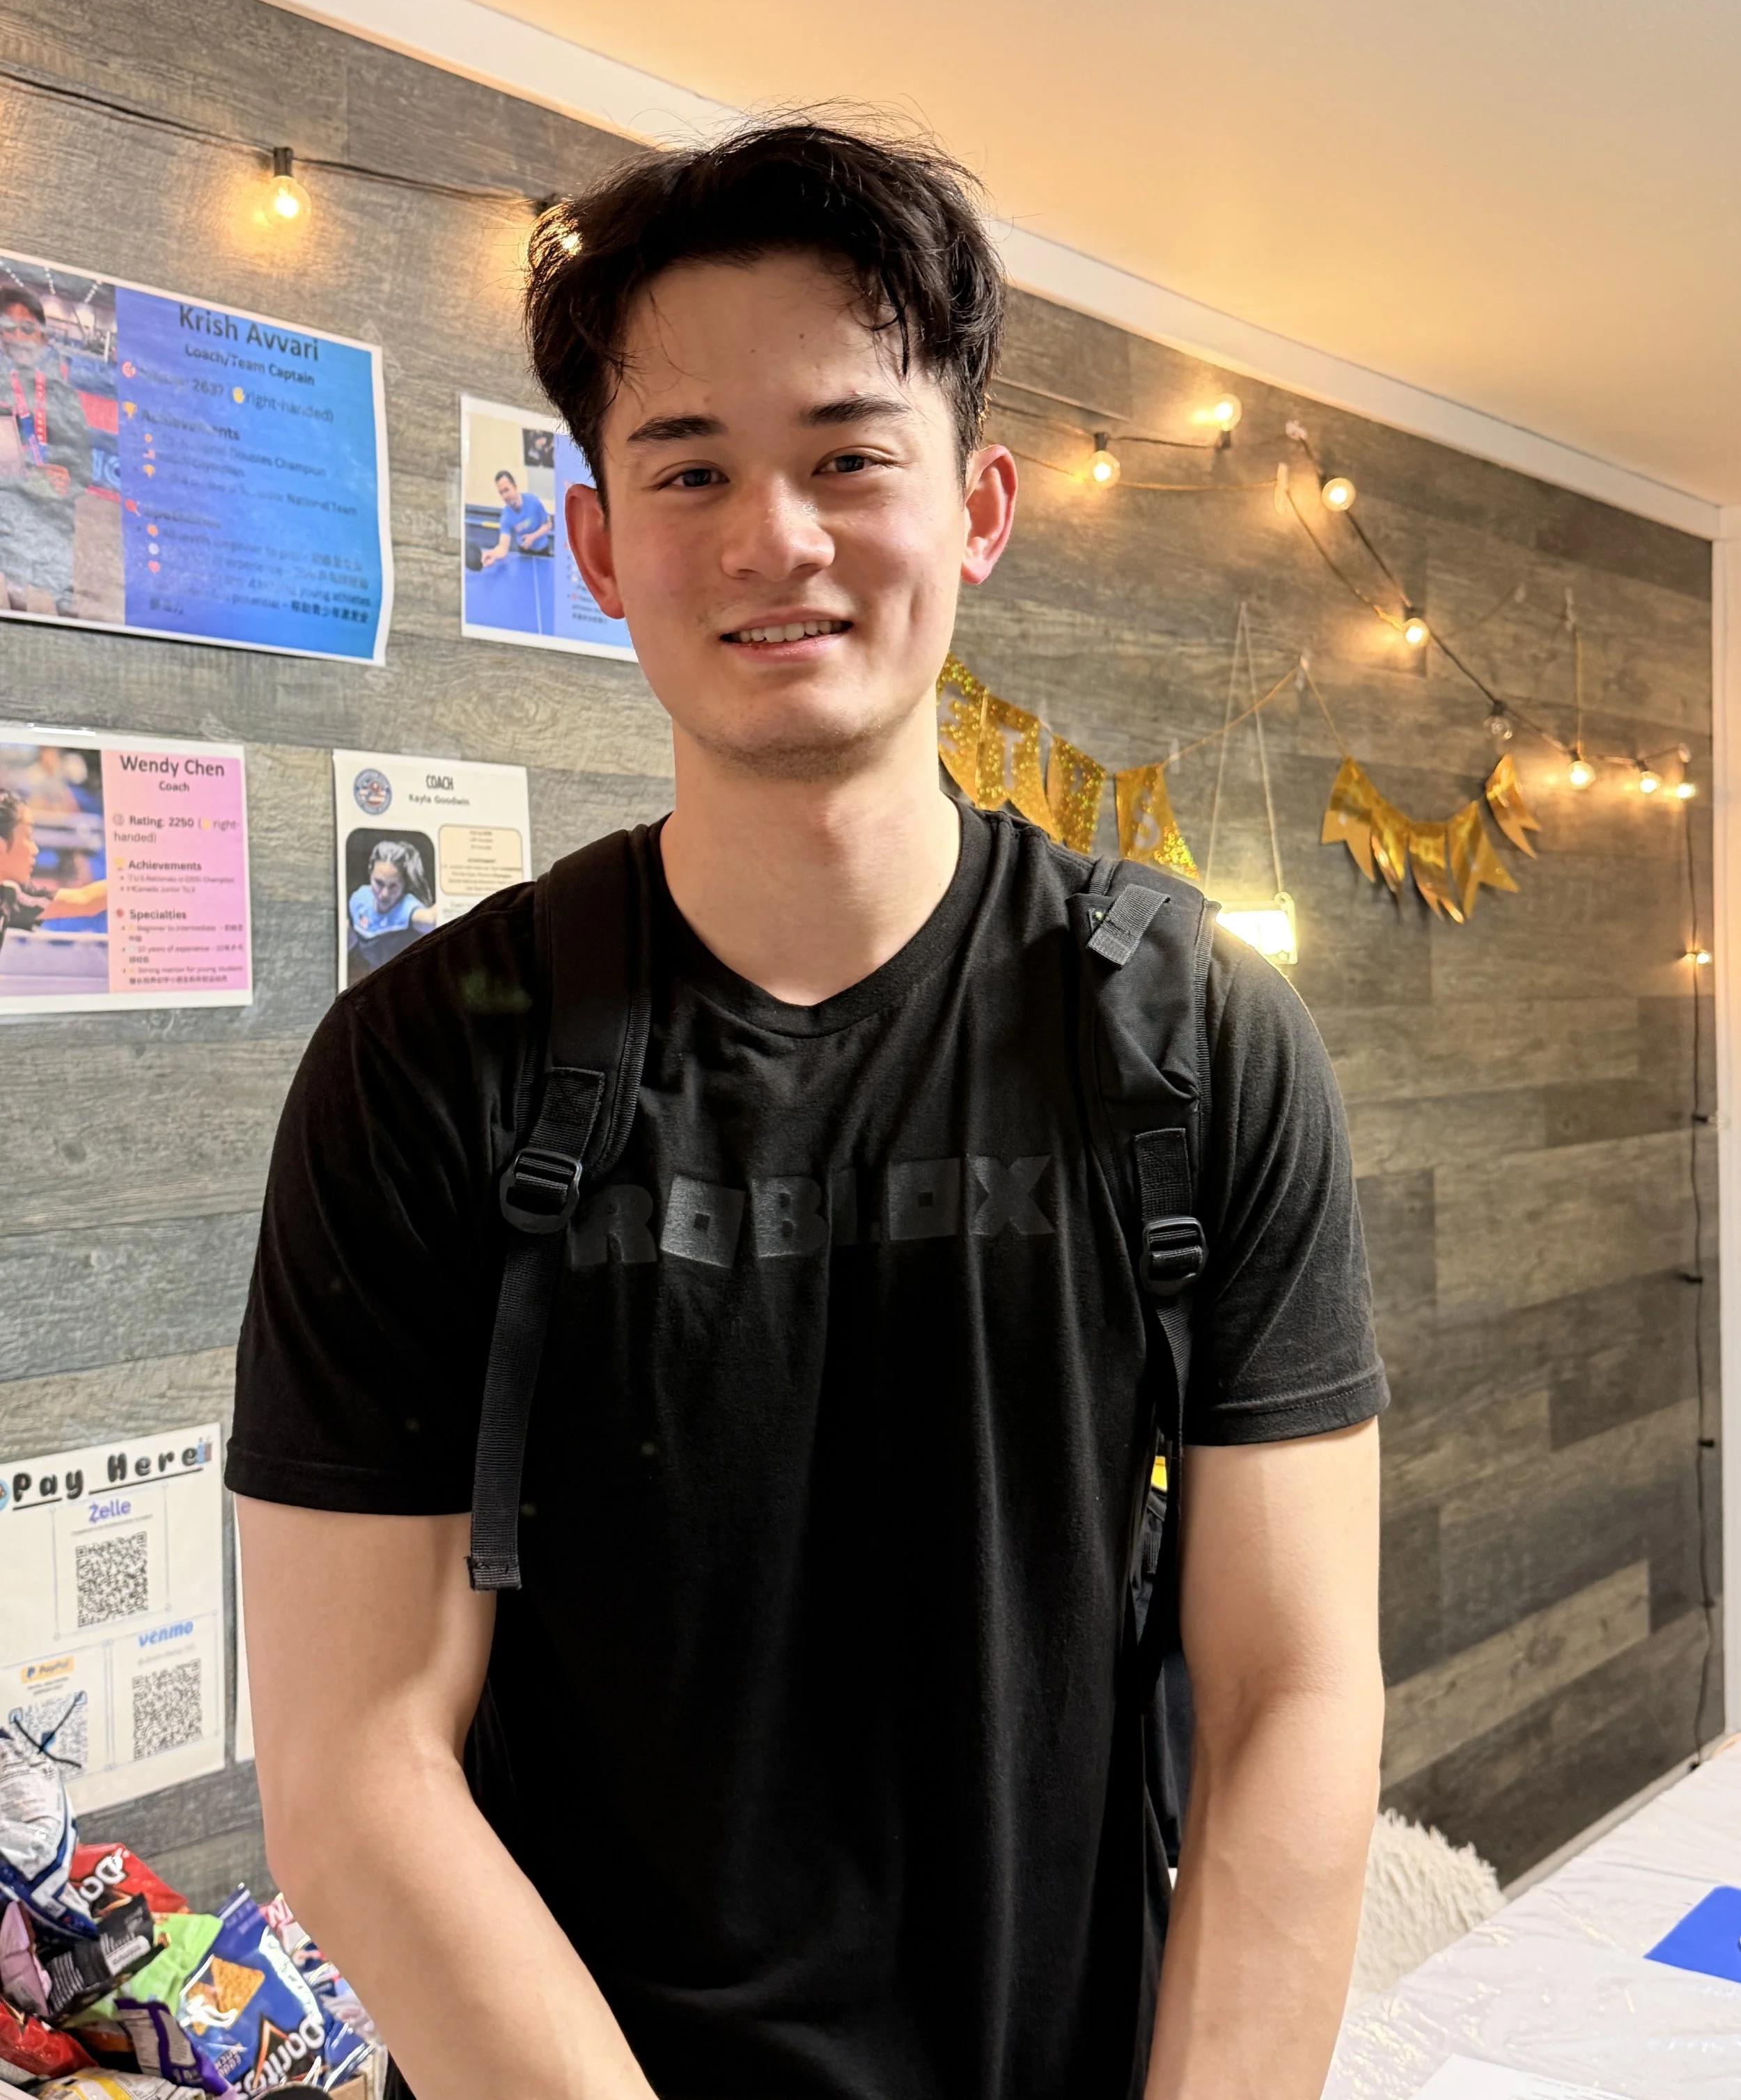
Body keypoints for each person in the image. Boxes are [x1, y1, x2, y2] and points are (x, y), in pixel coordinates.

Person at [232, 123, 1386, 2100]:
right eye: (688, 468)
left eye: (851, 455)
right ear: (599, 543)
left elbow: (1290, 1690)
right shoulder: (432, 1058)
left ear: (978, 509)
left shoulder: (1194, 1035)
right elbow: (354, 1763)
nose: (775, 536)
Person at [0, 286, 91, 618]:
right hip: (12, 510)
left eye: (27, 329)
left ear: (42, 336)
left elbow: (83, 463)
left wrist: (69, 481)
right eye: (8, 329)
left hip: (55, 513)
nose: (18, 337)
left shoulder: (62, 393)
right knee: (17, 595)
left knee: (64, 603)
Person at [0, 789, 107, 952]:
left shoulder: (9, 897)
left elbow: (85, 900)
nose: (35, 849)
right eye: (28, 836)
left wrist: (138, 879)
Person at [346, 838, 437, 985]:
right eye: (379, 883)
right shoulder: (359, 899)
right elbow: (346, 940)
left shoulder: (409, 909)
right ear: (370, 872)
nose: (384, 894)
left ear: (404, 884)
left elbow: (432, 920)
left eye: (393, 886)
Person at [480, 467, 554, 564]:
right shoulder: (506, 517)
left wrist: (532, 537)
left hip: (542, 551)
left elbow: (548, 525)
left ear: (515, 487)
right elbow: (503, 548)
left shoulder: (533, 501)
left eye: (507, 490)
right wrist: (492, 554)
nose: (505, 496)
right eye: (501, 493)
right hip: (523, 553)